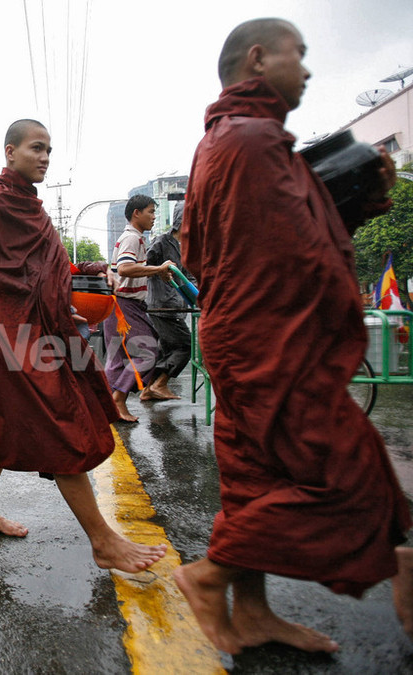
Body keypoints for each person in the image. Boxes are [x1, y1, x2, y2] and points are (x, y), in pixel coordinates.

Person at [174, 18, 412, 654]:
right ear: (258, 59)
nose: (306, 69)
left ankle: (251, 613)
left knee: (257, 481)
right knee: (347, 475)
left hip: (245, 335)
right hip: (269, 341)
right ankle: (210, 575)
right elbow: (297, 255)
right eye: (297, 55)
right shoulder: (251, 141)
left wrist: (348, 206)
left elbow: (240, 244)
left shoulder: (225, 141)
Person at [0, 119, 167, 573]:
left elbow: (49, 266)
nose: (45, 157)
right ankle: (103, 540)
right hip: (14, 335)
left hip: (39, 326)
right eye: (37, 148)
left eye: (49, 150)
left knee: (4, 422)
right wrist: (44, 308)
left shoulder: (30, 207)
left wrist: (81, 278)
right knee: (64, 425)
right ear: (10, 151)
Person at [102, 196, 174, 422]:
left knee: (117, 358)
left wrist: (157, 271)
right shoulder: (132, 238)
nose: (154, 217)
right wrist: (158, 268)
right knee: (147, 353)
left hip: (119, 305)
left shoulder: (133, 238)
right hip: (125, 305)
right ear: (136, 213)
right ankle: (118, 401)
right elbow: (124, 269)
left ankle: (109, 406)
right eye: (151, 212)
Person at [143, 202, 193, 400]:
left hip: (177, 306)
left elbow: (190, 276)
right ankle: (161, 384)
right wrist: (159, 270)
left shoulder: (189, 247)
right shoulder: (162, 242)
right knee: (185, 346)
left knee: (166, 350)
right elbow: (144, 266)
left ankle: (149, 389)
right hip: (162, 305)